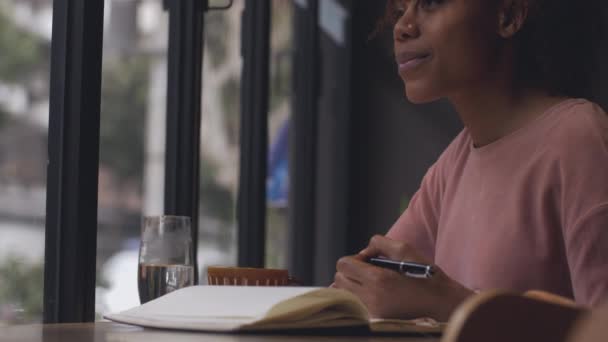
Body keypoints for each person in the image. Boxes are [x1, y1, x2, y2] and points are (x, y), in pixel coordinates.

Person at [333, 0, 608, 322]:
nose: (403, 27)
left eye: (431, 3)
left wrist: (454, 305)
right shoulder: (452, 165)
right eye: (399, 10)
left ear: (508, 16)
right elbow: (364, 286)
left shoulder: (578, 139)